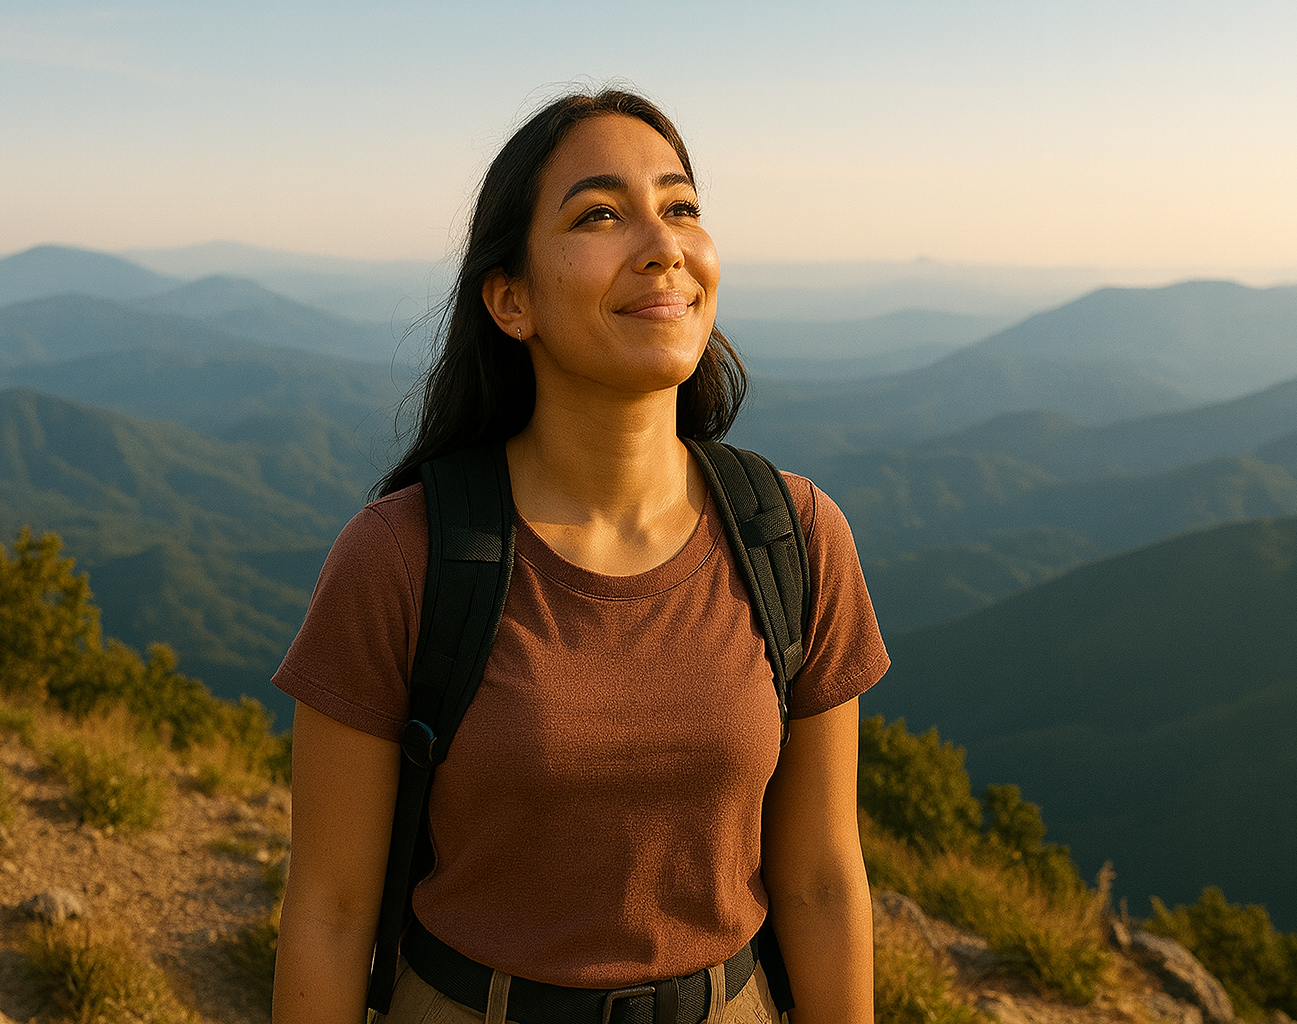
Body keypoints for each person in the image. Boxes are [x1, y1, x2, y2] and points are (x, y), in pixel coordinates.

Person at [271, 89, 889, 1024]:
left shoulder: (793, 536)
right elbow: (329, 912)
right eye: (600, 214)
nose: (664, 244)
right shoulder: (402, 557)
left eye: (681, 207)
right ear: (510, 300)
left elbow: (822, 883)